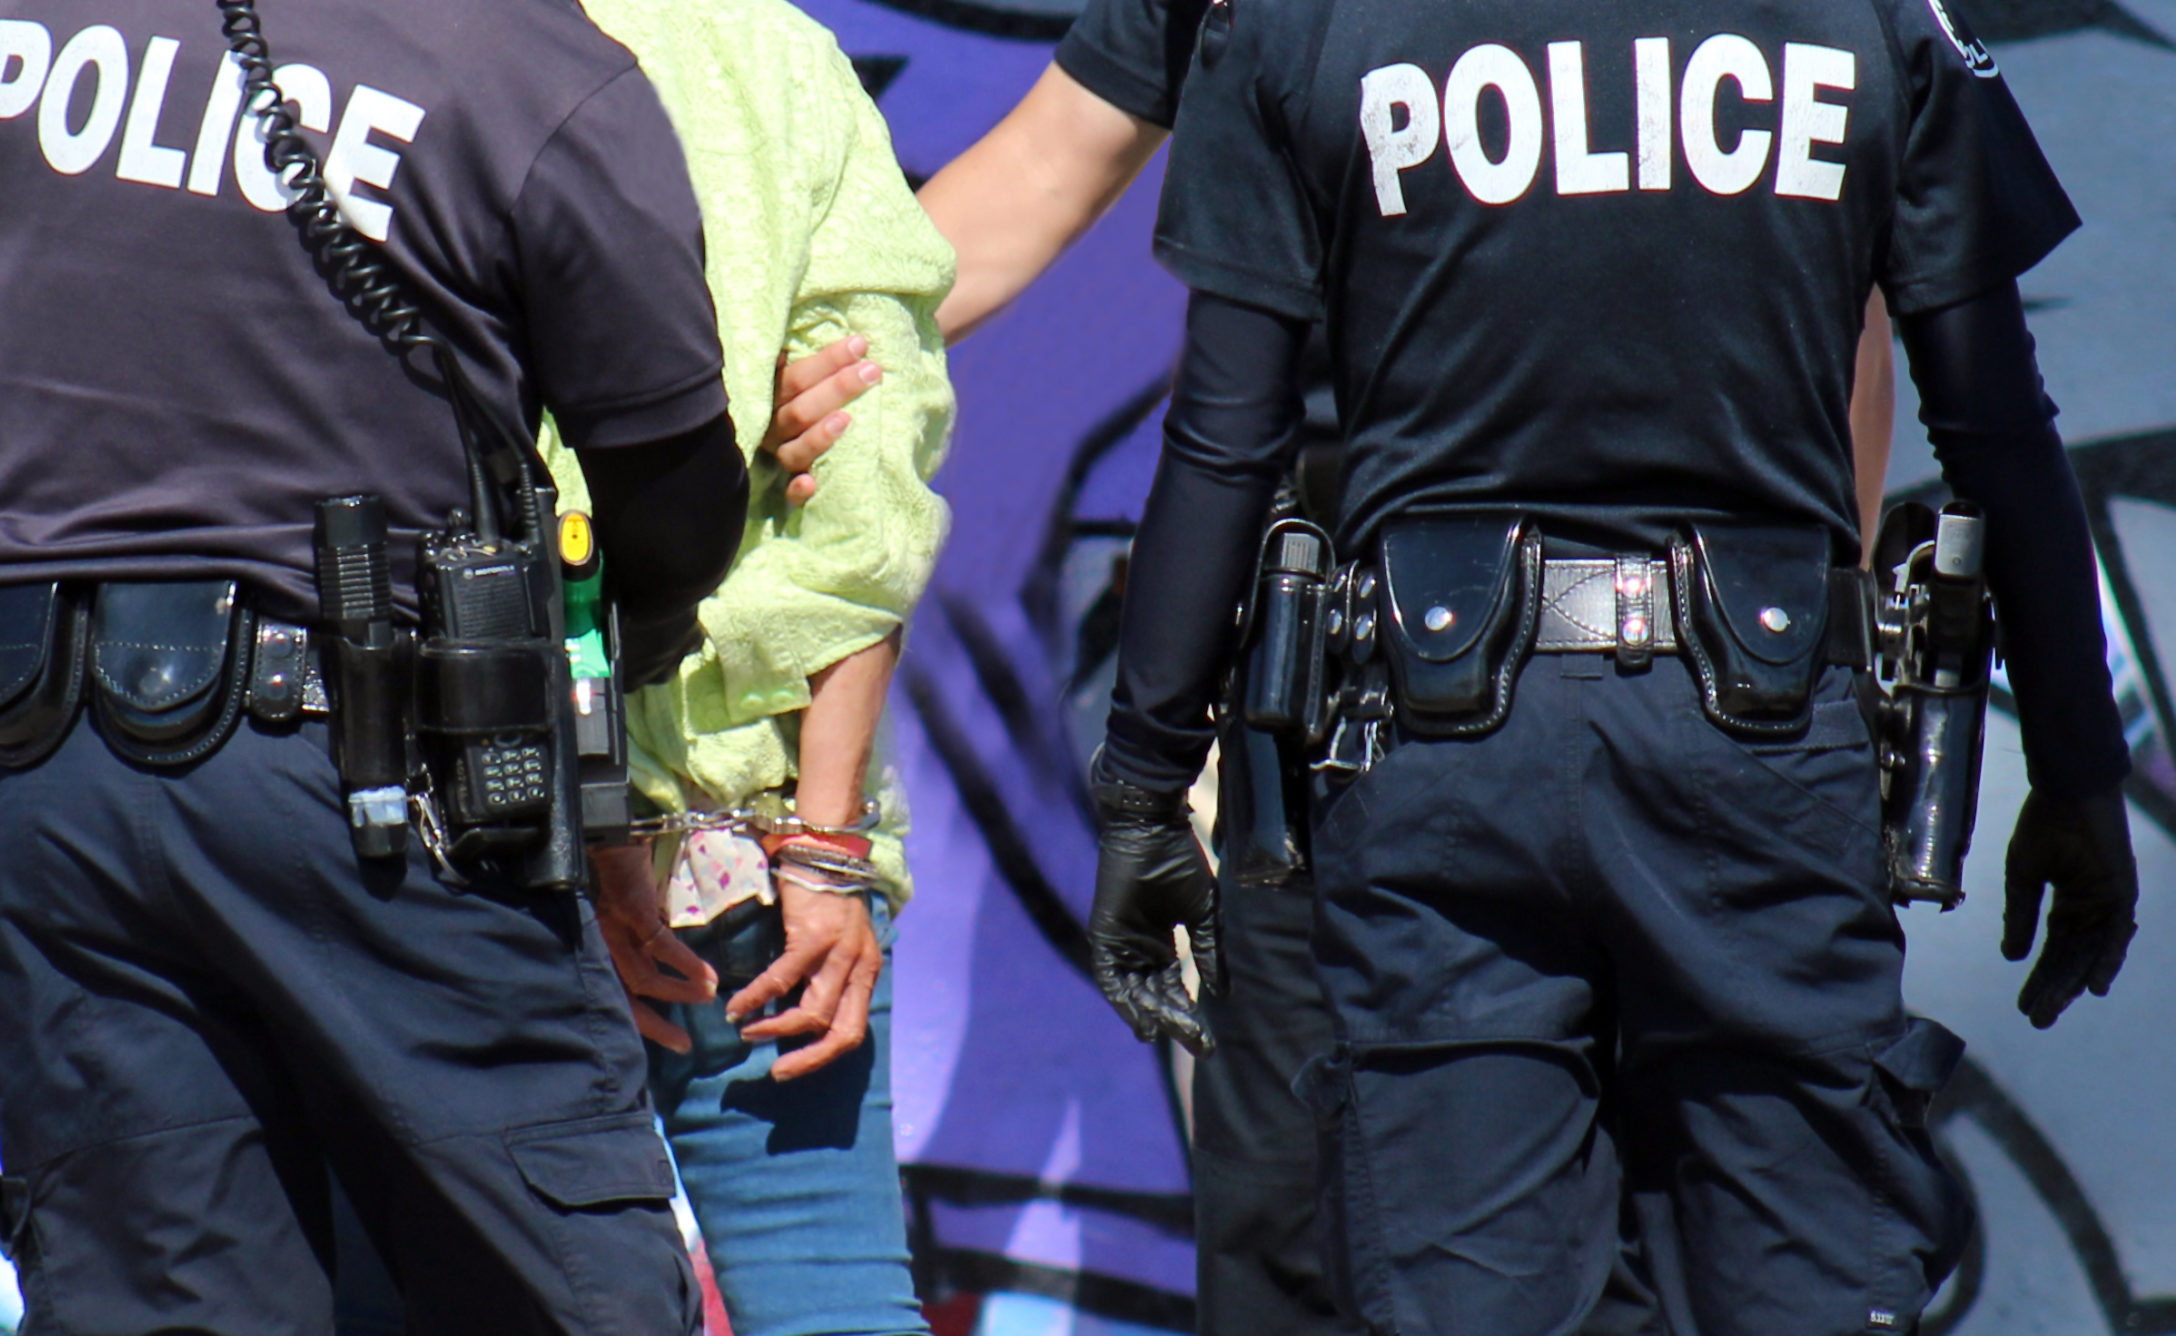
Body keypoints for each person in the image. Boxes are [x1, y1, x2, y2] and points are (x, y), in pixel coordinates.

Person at [1082, 1, 2141, 1334]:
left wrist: (1142, 785)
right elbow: (1994, 423)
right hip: (1761, 759)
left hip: (1441, 761)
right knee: (1803, 1292)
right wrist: (2081, 771)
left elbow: (1225, 439)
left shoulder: (1308, 23)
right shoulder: (1874, 21)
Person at [885, 8, 1897, 1334]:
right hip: (1358, 690)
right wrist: (734, 368)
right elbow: (1034, 178)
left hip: (1668, 686)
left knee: (1671, 1234)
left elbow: (1849, 300)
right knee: (1313, 1222)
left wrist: (1805, 647)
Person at [0, 0, 746, 1328]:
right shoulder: (534, 74)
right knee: (566, 1291)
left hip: (35, 765)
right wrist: (573, 707)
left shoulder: (26, 23)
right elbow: (678, 500)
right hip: (360, 782)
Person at [550, 2, 952, 1332]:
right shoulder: (775, 56)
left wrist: (594, 799)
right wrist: (825, 845)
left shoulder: (415, 53)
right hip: (759, 837)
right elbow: (869, 492)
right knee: (832, 1299)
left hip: (488, 833)